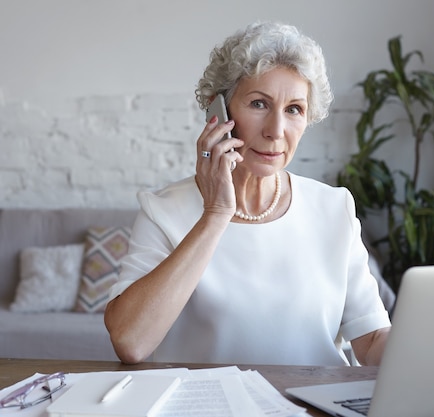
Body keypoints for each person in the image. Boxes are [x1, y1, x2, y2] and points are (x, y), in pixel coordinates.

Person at [104, 21, 391, 366]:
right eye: (258, 104)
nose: (276, 131)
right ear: (218, 113)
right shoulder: (164, 210)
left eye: (294, 110)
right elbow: (130, 342)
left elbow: (372, 340)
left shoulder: (333, 207)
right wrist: (214, 215)